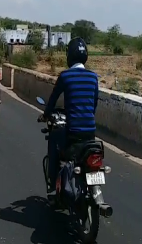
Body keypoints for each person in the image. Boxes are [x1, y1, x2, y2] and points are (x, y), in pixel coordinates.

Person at [38, 37, 99, 197]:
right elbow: (93, 105)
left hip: (73, 132)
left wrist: (46, 115)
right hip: (90, 132)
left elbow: (52, 100)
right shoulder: (93, 77)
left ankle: (52, 185)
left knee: (53, 141)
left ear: (69, 56)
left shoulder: (65, 76)